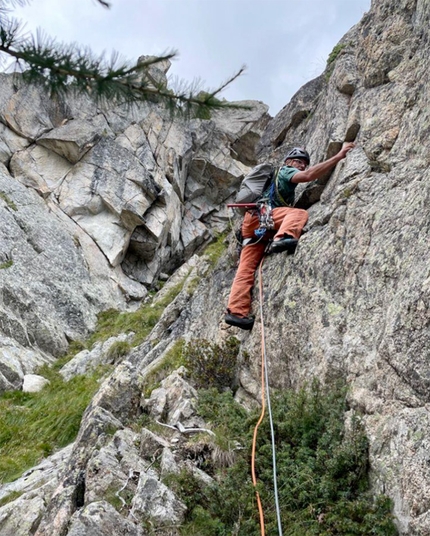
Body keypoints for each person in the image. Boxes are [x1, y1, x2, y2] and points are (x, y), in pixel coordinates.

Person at [225, 142, 355, 330]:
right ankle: (283, 237)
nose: (301, 165)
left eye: (304, 163)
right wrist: (339, 156)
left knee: (245, 268)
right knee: (298, 214)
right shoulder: (285, 171)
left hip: (253, 224)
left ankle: (236, 312)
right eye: (298, 161)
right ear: (288, 161)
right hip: (263, 218)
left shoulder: (277, 180)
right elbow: (309, 176)